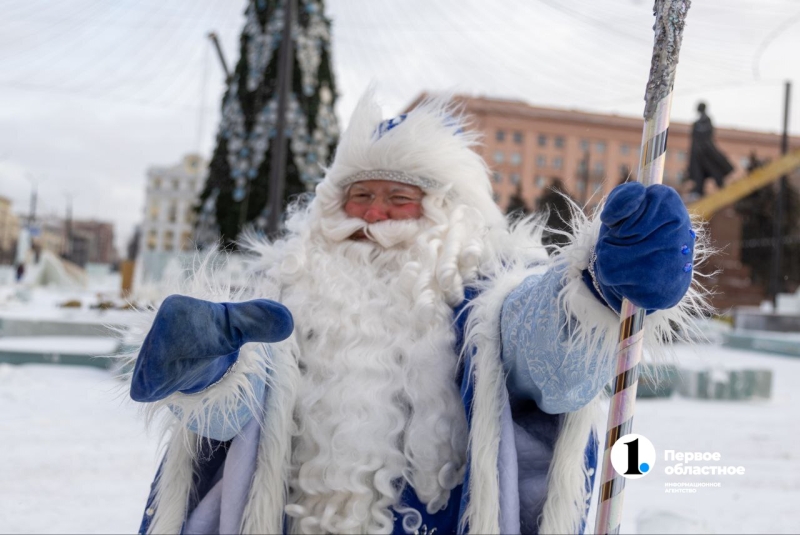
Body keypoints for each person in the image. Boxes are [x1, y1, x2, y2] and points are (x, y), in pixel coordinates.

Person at [125, 91, 708, 535]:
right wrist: (204, 373)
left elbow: (548, 361)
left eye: (400, 198)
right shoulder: (278, 289)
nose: (375, 215)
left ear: (446, 215)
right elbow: (229, 429)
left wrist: (597, 292)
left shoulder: (484, 292)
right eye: (359, 197)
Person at [687, 101, 733, 197]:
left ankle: (721, 187)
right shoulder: (696, 122)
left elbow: (709, 132)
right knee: (699, 172)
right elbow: (693, 136)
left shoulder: (707, 120)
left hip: (706, 152)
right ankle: (698, 191)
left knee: (714, 169)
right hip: (698, 152)